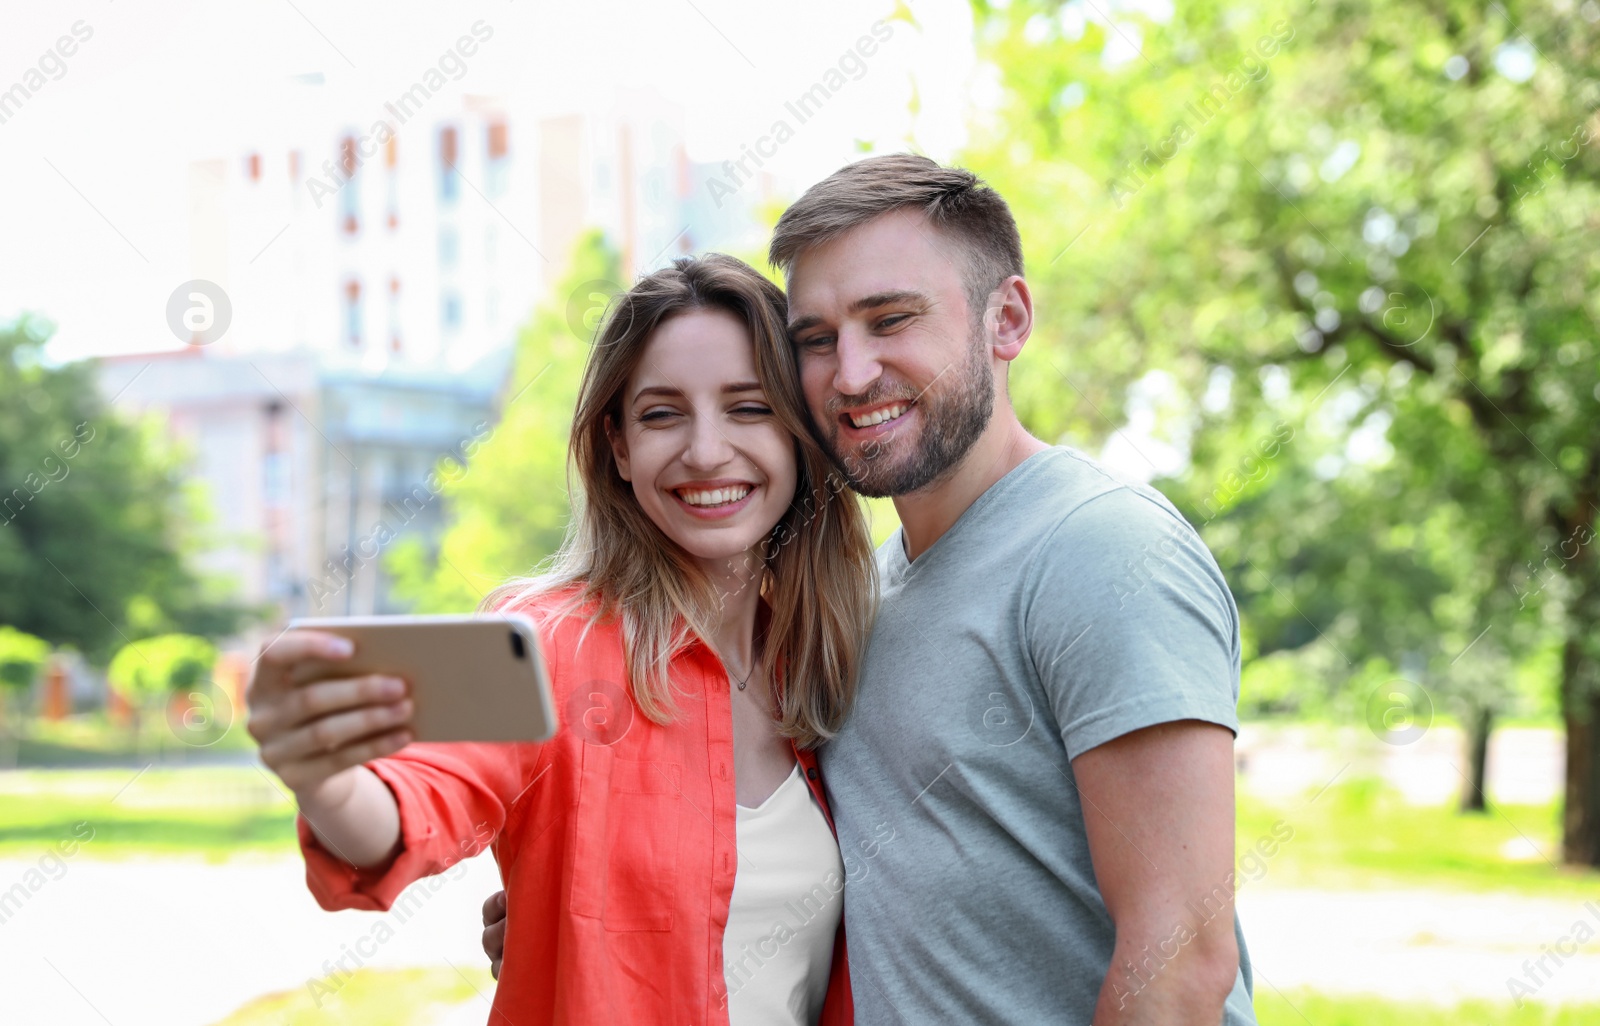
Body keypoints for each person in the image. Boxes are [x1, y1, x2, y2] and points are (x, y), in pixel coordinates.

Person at [484, 154, 1259, 1025]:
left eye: (891, 320)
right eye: (816, 339)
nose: (851, 374)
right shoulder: (860, 606)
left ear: (1007, 319)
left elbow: (1183, 962)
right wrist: (598, 910)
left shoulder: (1101, 551)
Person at [246, 254, 877, 1025]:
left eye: (749, 408)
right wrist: (327, 779)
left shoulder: (827, 659)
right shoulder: (549, 644)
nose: (707, 451)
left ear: (802, 434)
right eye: (661, 413)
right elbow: (413, 803)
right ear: (617, 446)